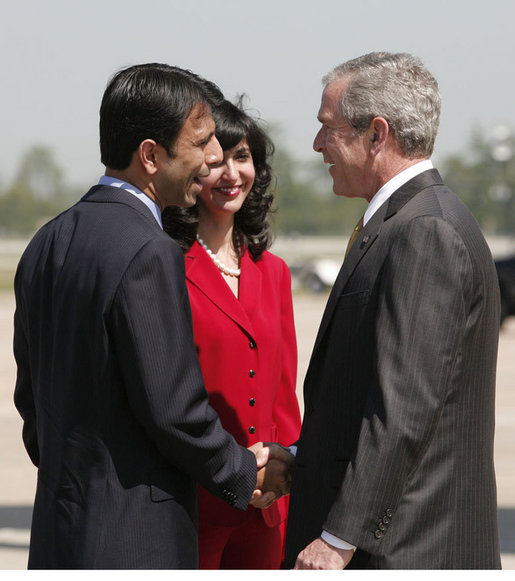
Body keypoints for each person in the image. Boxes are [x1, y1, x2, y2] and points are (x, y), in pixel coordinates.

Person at [13, 63, 292, 570]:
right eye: (202, 143)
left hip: (62, 528)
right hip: (136, 536)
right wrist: (240, 471)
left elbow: (32, 398)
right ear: (150, 155)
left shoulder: (47, 241)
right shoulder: (149, 250)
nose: (212, 162)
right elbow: (173, 409)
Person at [284, 52, 501, 570]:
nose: (317, 146)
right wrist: (302, 455)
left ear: (377, 134)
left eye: (327, 128)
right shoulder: (403, 221)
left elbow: (404, 408)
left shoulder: (425, 231)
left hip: (409, 549)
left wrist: (339, 537)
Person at [163, 98, 301, 569]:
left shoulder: (275, 271)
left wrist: (285, 472)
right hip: (194, 501)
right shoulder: (164, 266)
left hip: (265, 507)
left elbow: (283, 392)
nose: (230, 174)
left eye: (241, 157)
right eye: (216, 161)